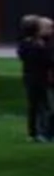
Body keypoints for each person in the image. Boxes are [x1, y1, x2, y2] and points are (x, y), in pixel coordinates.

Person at [20, 15, 54, 143]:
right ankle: (41, 133)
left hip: (32, 78)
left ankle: (36, 133)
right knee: (43, 106)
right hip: (37, 79)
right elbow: (47, 61)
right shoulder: (35, 45)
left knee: (36, 106)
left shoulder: (28, 44)